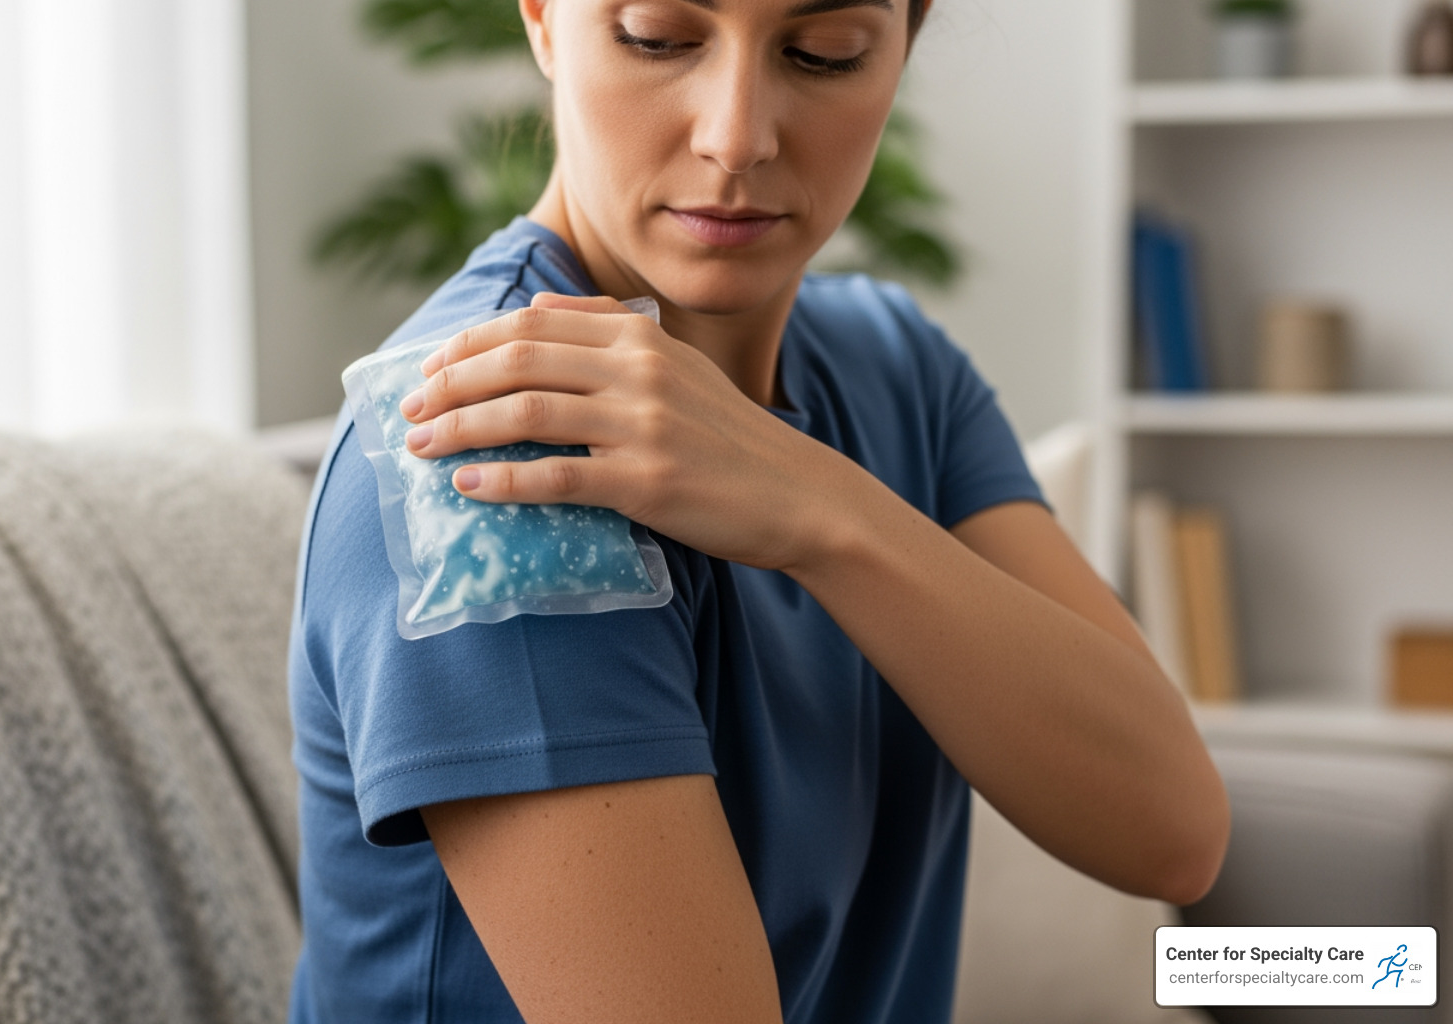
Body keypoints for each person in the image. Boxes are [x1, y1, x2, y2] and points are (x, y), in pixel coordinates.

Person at [286, 0, 1231, 1020]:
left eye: (824, 53)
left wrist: (815, 505)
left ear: (902, 47)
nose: (737, 136)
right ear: (544, 21)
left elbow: (1172, 830)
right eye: (657, 35)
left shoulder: (895, 363)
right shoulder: (492, 446)